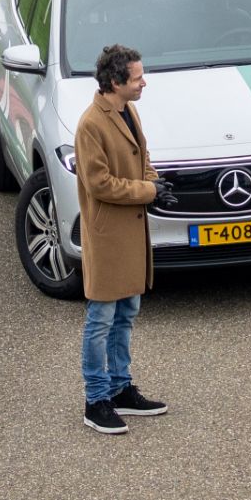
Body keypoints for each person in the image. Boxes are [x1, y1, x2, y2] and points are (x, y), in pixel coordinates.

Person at [75, 44, 171, 435]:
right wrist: (148, 192)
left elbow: (140, 156)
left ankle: (120, 387)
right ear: (115, 82)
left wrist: (155, 181)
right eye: (137, 78)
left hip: (129, 233)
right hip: (108, 236)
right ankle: (96, 399)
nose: (143, 82)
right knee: (101, 319)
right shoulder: (90, 125)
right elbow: (99, 184)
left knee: (126, 313)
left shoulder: (128, 110)